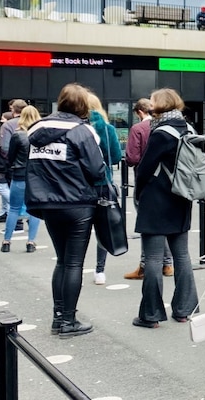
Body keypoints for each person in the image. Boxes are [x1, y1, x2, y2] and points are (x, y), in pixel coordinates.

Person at [26, 83, 106, 338]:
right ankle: (68, 321)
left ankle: (58, 316)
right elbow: (97, 171)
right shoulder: (83, 131)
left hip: (46, 202)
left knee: (62, 261)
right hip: (77, 202)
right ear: (83, 105)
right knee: (73, 263)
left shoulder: (36, 129)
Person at [132, 88, 197, 328]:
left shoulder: (161, 132)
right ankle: (183, 309)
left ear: (160, 104)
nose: (149, 102)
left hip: (157, 200)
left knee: (153, 258)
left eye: (152, 99)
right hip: (182, 197)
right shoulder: (188, 128)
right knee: (181, 256)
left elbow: (145, 168)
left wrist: (138, 194)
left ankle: (151, 314)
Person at [122, 97, 173, 280]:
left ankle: (145, 266)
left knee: (147, 226)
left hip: (145, 183)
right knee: (163, 224)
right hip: (167, 183)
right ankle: (167, 263)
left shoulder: (138, 129)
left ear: (140, 112)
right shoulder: (167, 127)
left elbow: (132, 158)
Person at [86, 92, 122, 285]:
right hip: (102, 183)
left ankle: (74, 265)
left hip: (78, 186)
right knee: (102, 227)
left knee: (79, 228)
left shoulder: (75, 127)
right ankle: (100, 270)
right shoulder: (106, 129)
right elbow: (115, 157)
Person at [2, 105, 42, 253]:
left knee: (13, 208)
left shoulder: (18, 135)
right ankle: (31, 242)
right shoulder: (41, 135)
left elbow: (10, 157)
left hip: (19, 174)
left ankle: (6, 241)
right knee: (34, 210)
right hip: (36, 176)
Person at [0, 98, 27, 225]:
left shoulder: (8, 125)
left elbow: (5, 147)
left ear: (13, 110)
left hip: (16, 165)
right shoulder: (35, 123)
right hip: (33, 165)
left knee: (15, 200)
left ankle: (17, 225)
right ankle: (31, 227)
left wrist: (9, 160)